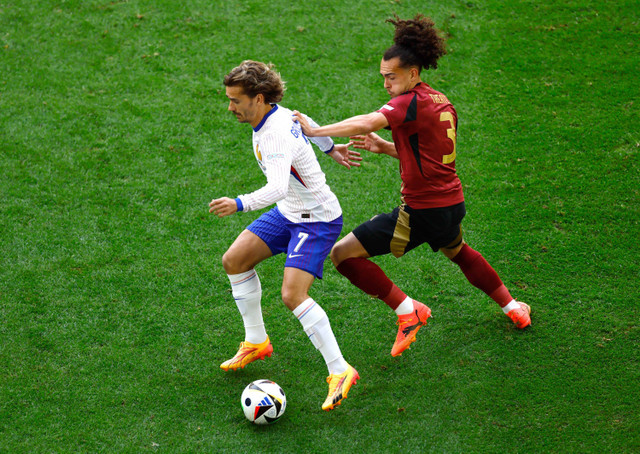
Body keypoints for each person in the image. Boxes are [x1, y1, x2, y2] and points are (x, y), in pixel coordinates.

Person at [293, 15, 531, 358]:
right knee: (459, 252)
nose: (387, 84)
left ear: (413, 73)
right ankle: (513, 308)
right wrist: (387, 147)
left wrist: (316, 132)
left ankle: (408, 310)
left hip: (423, 211)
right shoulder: (440, 99)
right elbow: (428, 156)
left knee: (342, 255)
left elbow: (368, 120)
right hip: (451, 204)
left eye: (392, 77)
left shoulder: (409, 102)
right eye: (384, 77)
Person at [209, 60, 362, 411]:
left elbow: (277, 187)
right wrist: (329, 148)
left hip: (316, 220)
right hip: (291, 212)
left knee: (293, 295)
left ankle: (341, 370)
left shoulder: (274, 132)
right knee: (234, 261)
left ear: (258, 98)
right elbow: (302, 120)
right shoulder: (275, 115)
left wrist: (239, 203)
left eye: (235, 101)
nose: (229, 107)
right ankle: (256, 340)